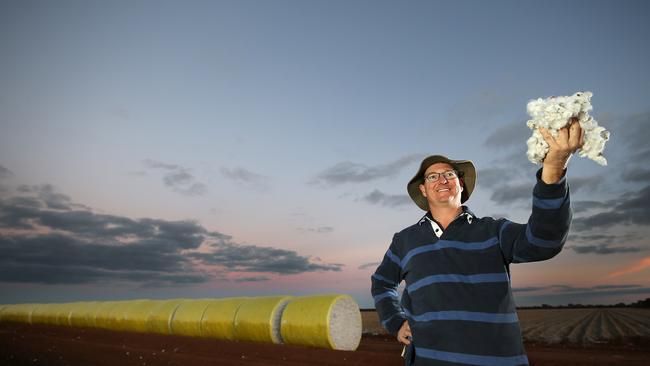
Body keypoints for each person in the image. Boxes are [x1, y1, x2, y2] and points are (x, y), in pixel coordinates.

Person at [371, 120, 584, 365]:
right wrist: (395, 322)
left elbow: (545, 241)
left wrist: (553, 171)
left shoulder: (494, 231)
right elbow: (381, 283)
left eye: (449, 174)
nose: (442, 180)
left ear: (460, 184)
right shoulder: (404, 240)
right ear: (424, 190)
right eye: (433, 177)